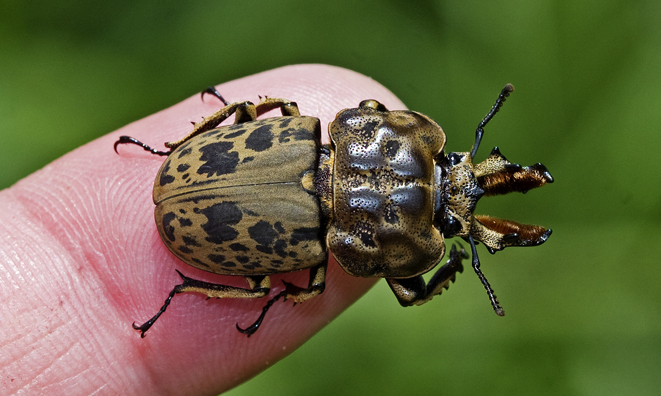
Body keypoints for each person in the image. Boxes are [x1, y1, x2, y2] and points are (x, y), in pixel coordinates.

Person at [0, 64, 405, 395]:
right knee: (275, 288)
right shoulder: (319, 238)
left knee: (264, 107)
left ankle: (184, 273)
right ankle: (185, 283)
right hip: (194, 202)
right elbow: (309, 290)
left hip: (196, 184)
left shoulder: (301, 132)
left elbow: (261, 107)